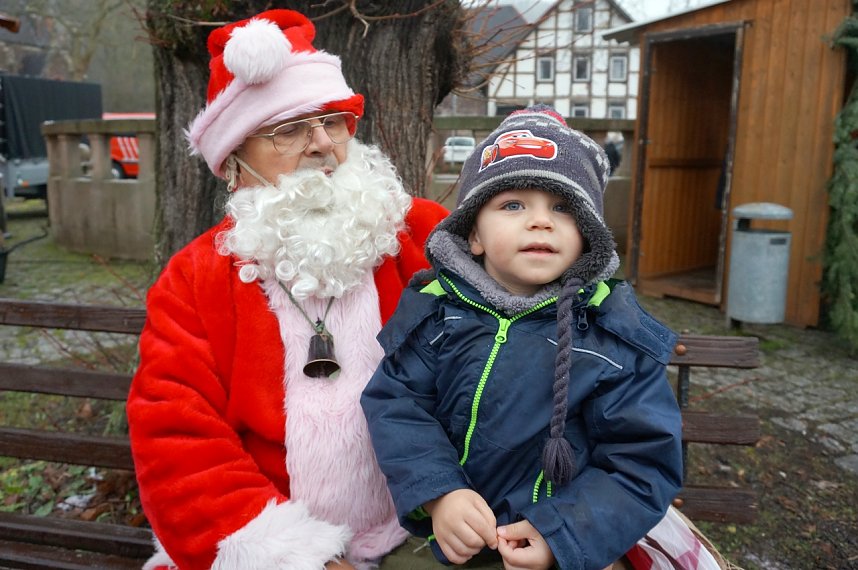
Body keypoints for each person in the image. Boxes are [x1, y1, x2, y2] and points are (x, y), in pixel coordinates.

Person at [126, 9, 448, 570]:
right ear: (233, 161)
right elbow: (176, 433)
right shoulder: (195, 277)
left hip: (423, 529)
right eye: (290, 129)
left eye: (335, 121)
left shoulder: (423, 234)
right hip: (277, 541)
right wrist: (296, 558)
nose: (324, 145)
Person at [361, 105, 684, 569]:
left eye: (563, 208)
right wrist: (439, 493)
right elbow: (396, 406)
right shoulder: (438, 314)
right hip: (451, 538)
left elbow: (642, 462)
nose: (540, 221)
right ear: (473, 233)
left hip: (568, 545)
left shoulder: (612, 339)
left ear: (587, 235)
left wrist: (562, 533)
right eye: (513, 205)